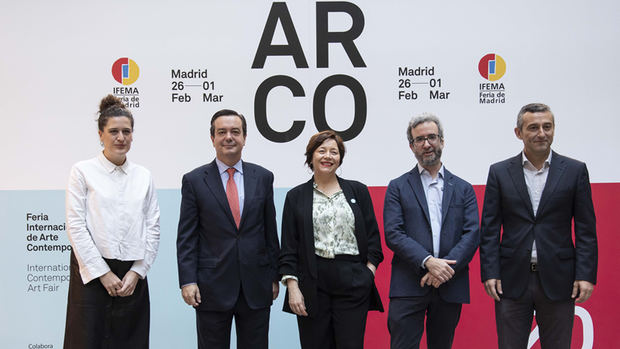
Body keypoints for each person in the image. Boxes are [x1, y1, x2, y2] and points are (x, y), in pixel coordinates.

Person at [479, 103, 597, 349]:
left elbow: (586, 229)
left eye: (547, 126)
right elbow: (489, 229)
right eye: (533, 127)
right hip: (511, 280)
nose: (541, 133)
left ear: (554, 130)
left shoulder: (575, 171)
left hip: (559, 278)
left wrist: (585, 275)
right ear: (518, 132)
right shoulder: (499, 172)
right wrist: (490, 272)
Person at [176, 109, 280, 349]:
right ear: (212, 138)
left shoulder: (263, 177)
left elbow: (269, 232)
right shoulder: (194, 180)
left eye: (235, 131)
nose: (229, 137)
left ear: (244, 137)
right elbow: (187, 237)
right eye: (221, 132)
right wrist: (188, 280)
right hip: (211, 286)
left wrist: (274, 276)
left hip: (255, 285)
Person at [64, 95, 160, 349]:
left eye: (126, 131)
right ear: (100, 134)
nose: (121, 137)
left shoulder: (144, 176)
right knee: (86, 341)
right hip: (92, 275)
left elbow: (153, 228)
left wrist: (137, 272)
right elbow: (75, 225)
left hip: (131, 276)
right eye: (114, 131)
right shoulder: (82, 171)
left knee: (131, 341)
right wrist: (103, 273)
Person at [279, 130, 384, 349]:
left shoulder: (358, 190)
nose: (328, 156)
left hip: (353, 280)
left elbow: (373, 239)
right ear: (311, 156)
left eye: (334, 152)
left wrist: (368, 273)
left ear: (340, 158)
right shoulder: (296, 196)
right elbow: (289, 246)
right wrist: (293, 288)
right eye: (322, 151)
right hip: (312, 282)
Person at [383, 113, 479, 349]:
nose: (427, 144)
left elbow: (472, 233)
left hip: (449, 284)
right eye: (420, 139)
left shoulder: (464, 189)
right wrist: (428, 262)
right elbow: (393, 233)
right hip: (408, 285)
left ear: (442, 141)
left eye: (432, 137)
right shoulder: (397, 187)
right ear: (411, 146)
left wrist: (443, 269)